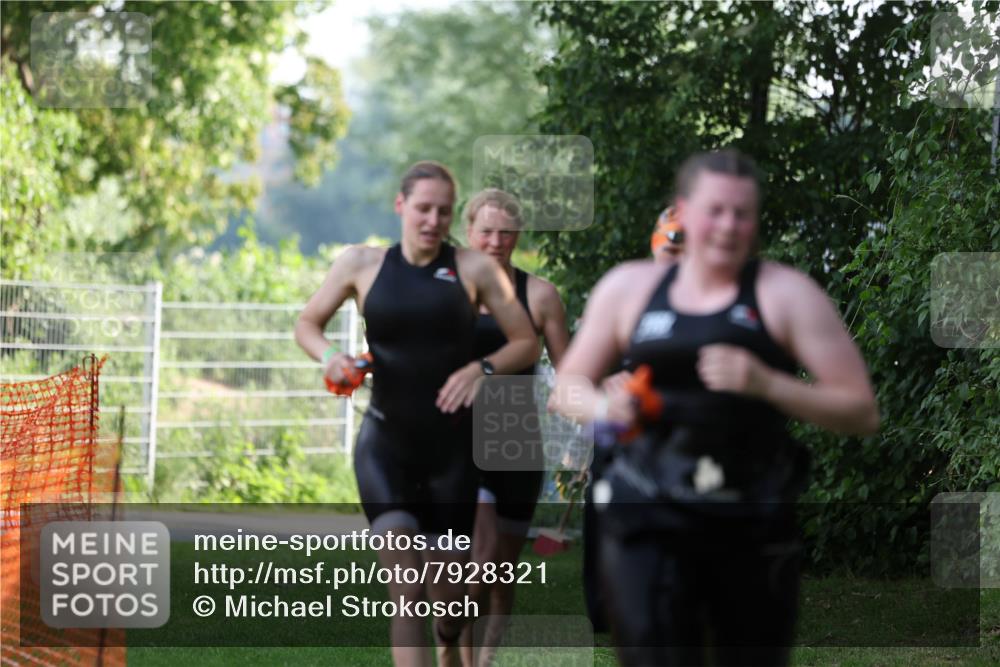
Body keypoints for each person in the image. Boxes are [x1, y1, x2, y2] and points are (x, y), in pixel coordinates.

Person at [550, 149, 879, 665]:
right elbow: (566, 388)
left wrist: (768, 383)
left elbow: (861, 409)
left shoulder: (786, 294)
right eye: (715, 211)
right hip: (647, 509)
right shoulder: (630, 288)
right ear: (684, 210)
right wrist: (604, 407)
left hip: (750, 514)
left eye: (742, 213)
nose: (728, 226)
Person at [295, 162, 540, 667]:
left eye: (444, 211)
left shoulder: (475, 269)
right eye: (424, 208)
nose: (433, 220)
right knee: (406, 590)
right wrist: (331, 358)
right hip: (386, 447)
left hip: (452, 454)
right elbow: (307, 324)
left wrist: (482, 369)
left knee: (449, 612)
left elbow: (525, 342)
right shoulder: (360, 264)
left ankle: (451, 634)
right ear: (401, 205)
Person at [458, 189, 570, 667]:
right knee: (476, 565)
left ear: (518, 235)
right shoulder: (447, 291)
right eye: (486, 231)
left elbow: (572, 370)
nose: (496, 241)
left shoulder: (540, 295)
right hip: (458, 439)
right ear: (469, 232)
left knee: (501, 573)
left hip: (517, 438)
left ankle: (484, 659)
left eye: (506, 232)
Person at [584, 205, 687, 635]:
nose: (678, 259)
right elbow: (575, 380)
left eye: (689, 249)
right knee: (606, 504)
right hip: (622, 431)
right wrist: (607, 386)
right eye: (671, 248)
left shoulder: (724, 300)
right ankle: (605, 601)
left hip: (685, 435)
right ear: (655, 244)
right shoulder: (625, 294)